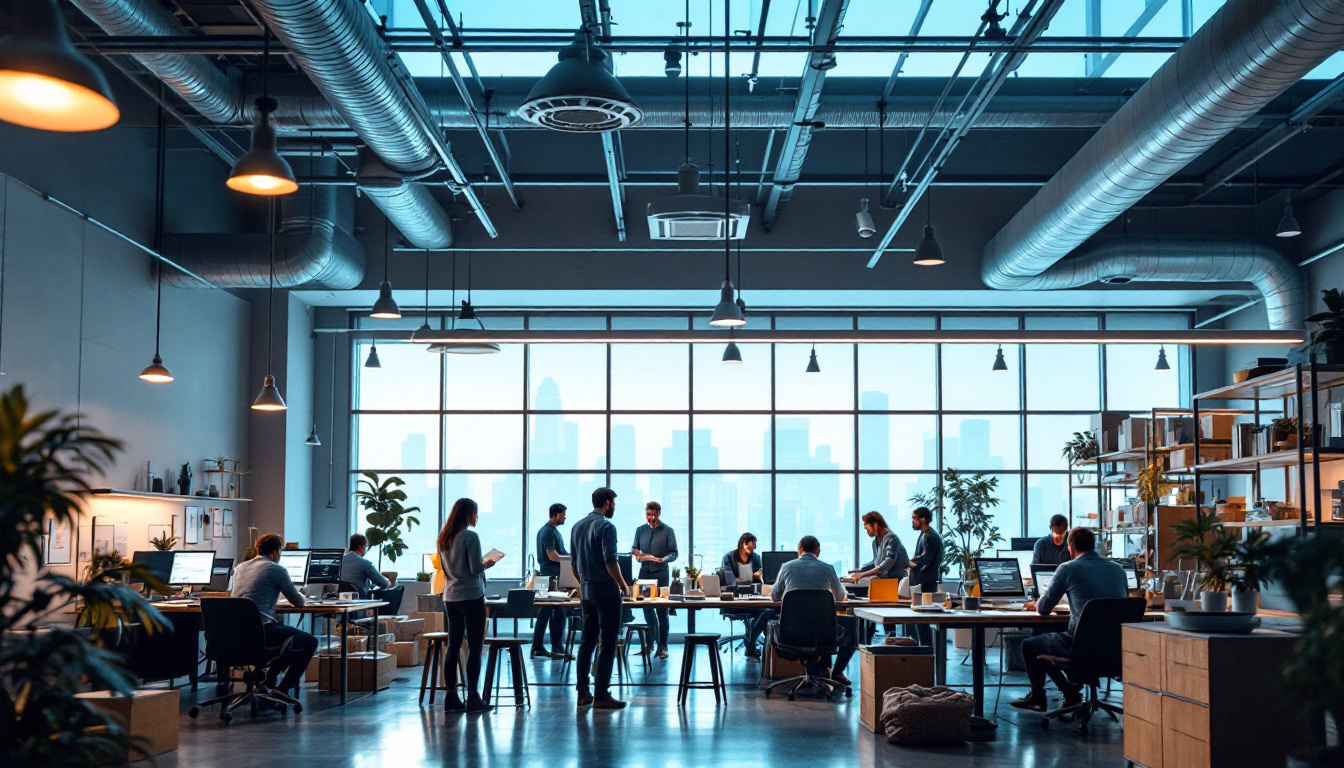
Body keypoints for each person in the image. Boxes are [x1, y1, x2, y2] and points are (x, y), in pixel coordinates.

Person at [1011, 527, 1129, 712]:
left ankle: (1042, 698)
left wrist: (1035, 604)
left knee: (1030, 645)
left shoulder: (1068, 568)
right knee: (1048, 639)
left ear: (1071, 547)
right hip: (1115, 649)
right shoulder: (1118, 569)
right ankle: (1069, 692)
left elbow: (1044, 609)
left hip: (1080, 646)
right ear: (1093, 546)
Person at [228, 533, 317, 697]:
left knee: (286, 634)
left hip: (234, 637)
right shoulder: (275, 569)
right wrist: (303, 594)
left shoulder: (240, 568)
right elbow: (298, 602)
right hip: (261, 635)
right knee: (309, 641)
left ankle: (269, 678)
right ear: (275, 551)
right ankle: (281, 690)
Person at [438, 497, 501, 714]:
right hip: (471, 596)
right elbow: (475, 569)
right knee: (475, 646)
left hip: (450, 597)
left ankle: (451, 696)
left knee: (453, 646)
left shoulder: (443, 538)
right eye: (475, 512)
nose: (477, 516)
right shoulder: (470, 537)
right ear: (468, 514)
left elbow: (446, 572)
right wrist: (488, 564)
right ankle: (473, 697)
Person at [571, 487, 630, 710]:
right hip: (605, 590)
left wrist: (584, 582)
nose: (614, 506)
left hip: (586, 591)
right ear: (606, 503)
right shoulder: (606, 526)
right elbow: (610, 561)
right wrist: (622, 584)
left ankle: (583, 693)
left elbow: (574, 565)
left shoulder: (577, 526)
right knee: (607, 642)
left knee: (586, 642)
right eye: (613, 502)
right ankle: (602, 694)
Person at [771, 536, 858, 687]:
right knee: (851, 624)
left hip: (792, 631)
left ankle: (822, 668)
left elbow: (774, 597)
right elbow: (840, 597)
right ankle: (837, 671)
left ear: (800, 550)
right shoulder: (828, 568)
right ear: (818, 551)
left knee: (770, 620)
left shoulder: (786, 567)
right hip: (822, 632)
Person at [631, 501, 678, 660]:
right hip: (644, 572)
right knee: (647, 609)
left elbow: (674, 553)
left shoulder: (668, 531)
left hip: (661, 573)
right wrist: (638, 555)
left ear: (658, 513)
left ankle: (663, 646)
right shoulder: (640, 530)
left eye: (652, 514)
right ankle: (650, 644)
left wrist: (663, 559)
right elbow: (634, 549)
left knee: (662, 611)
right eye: (647, 514)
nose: (650, 518)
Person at [719, 532, 775, 661]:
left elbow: (761, 576)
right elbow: (730, 580)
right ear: (743, 543)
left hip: (753, 598)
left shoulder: (755, 558)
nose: (753, 549)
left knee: (769, 612)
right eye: (751, 545)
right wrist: (751, 577)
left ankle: (750, 639)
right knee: (765, 613)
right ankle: (750, 644)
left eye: (754, 546)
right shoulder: (728, 557)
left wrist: (760, 577)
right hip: (733, 601)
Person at [532, 503, 571, 660]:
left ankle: (555, 646)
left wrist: (571, 556)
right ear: (556, 514)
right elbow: (552, 556)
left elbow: (560, 552)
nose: (565, 517)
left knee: (557, 613)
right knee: (548, 612)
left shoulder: (552, 531)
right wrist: (570, 558)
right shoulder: (548, 532)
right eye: (563, 514)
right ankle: (539, 646)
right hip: (550, 577)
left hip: (553, 576)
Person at [907, 506, 943, 646]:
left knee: (923, 619)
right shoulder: (924, 535)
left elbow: (926, 558)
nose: (913, 521)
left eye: (914, 518)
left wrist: (910, 562)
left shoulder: (931, 537)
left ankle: (926, 650)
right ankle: (923, 649)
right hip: (923, 581)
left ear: (922, 519)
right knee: (920, 619)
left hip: (926, 582)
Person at [845, 511, 909, 583]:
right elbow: (876, 563)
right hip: (883, 578)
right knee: (859, 582)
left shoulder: (892, 539)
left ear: (875, 524)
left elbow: (886, 564)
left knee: (862, 582)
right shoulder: (875, 542)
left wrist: (861, 575)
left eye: (867, 529)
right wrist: (858, 571)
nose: (867, 532)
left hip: (895, 580)